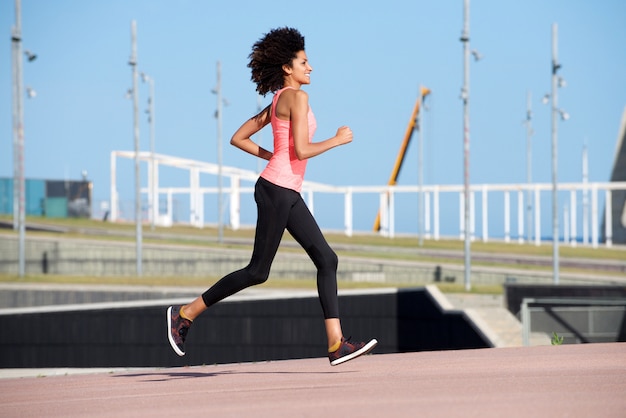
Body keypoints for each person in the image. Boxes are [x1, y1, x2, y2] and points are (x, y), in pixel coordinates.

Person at [167, 27, 377, 366]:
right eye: (304, 62)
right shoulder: (296, 97)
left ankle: (336, 344)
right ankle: (184, 314)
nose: (311, 68)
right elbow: (303, 149)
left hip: (285, 189)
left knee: (327, 259)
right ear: (287, 67)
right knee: (257, 271)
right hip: (277, 190)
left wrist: (274, 156)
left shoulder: (278, 99)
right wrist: (337, 140)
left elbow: (239, 138)